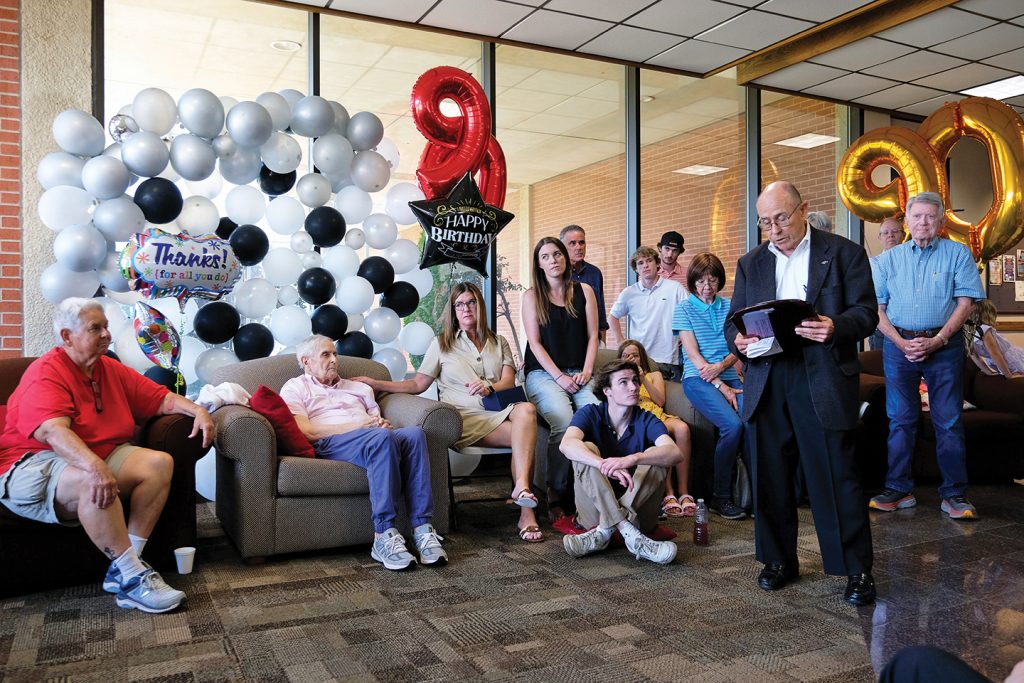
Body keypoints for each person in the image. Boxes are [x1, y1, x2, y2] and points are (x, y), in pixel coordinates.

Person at [0, 298, 214, 613]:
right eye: (95, 328)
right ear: (67, 336)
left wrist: (198, 410)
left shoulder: (108, 368)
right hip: (32, 463)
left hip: (93, 456)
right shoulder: (46, 371)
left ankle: (126, 572)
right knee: (90, 480)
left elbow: (160, 399)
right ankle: (133, 577)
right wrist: (95, 467)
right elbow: (53, 433)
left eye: (106, 327)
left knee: (158, 463)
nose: (106, 336)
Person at [726, 181, 877, 607]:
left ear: (803, 210)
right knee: (770, 476)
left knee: (835, 475)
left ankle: (855, 570)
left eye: (781, 218)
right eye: (765, 222)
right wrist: (736, 341)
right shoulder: (750, 263)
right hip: (768, 377)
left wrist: (835, 327)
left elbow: (865, 313)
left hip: (822, 375)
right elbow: (734, 321)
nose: (773, 229)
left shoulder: (843, 252)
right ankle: (778, 561)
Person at [354, 282, 544, 543]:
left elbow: (508, 382)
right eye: (459, 304)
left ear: (480, 306)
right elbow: (417, 384)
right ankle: (526, 509)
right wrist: (377, 383)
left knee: (527, 411)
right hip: (464, 419)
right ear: (453, 311)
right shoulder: (442, 343)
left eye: (471, 302)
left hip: (497, 413)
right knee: (526, 435)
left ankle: (522, 492)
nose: (466, 309)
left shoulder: (498, 341)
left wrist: (489, 386)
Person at [280, 334, 447, 571]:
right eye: (325, 355)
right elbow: (306, 431)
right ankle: (383, 535)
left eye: (335, 354)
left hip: (372, 437)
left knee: (413, 435)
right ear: (306, 362)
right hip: (332, 440)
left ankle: (422, 528)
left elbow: (377, 421)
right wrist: (363, 427)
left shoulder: (360, 388)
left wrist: (383, 425)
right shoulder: (295, 387)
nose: (334, 360)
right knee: (380, 438)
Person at [870, 192, 985, 520]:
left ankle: (954, 495)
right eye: (916, 217)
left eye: (929, 217)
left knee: (948, 421)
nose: (922, 222)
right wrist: (899, 341)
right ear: (906, 222)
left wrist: (938, 339)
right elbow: (876, 309)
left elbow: (966, 303)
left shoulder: (957, 254)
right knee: (900, 420)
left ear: (940, 221)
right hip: (897, 347)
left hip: (943, 347)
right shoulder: (888, 261)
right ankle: (898, 489)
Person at [558, 358, 682, 564]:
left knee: (657, 454)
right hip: (594, 510)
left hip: (639, 509)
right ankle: (628, 531)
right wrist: (602, 464)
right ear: (607, 390)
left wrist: (632, 459)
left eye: (635, 381)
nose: (633, 387)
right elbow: (566, 444)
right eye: (623, 382)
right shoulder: (590, 412)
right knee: (585, 449)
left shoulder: (647, 418)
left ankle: (605, 531)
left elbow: (675, 453)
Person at [522, 236, 600, 526]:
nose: (553, 260)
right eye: (545, 257)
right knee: (564, 420)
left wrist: (588, 371)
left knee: (592, 416)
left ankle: (590, 491)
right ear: (539, 264)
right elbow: (535, 343)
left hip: (581, 371)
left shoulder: (585, 291)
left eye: (557, 254)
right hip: (543, 373)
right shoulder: (532, 296)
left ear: (566, 258)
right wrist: (559, 377)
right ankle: (556, 490)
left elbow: (594, 336)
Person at [673, 252, 747, 521]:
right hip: (698, 378)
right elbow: (693, 355)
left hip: (726, 372)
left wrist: (723, 368)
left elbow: (741, 347)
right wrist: (720, 384)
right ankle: (721, 497)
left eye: (713, 280)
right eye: (701, 281)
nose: (707, 286)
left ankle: (755, 494)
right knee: (733, 426)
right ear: (692, 282)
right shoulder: (684, 308)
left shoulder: (729, 307)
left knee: (754, 421)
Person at [616, 340, 694, 518]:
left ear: (641, 357)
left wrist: (643, 377)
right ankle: (669, 494)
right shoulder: (619, 379)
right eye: (626, 355)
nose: (631, 358)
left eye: (634, 355)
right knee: (661, 433)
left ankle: (684, 492)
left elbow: (660, 401)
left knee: (682, 429)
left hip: (658, 414)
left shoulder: (654, 375)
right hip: (640, 419)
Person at [608, 246, 686, 379]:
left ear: (657, 264)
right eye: (640, 263)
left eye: (649, 261)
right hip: (639, 359)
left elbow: (689, 313)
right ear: (636, 269)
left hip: (668, 359)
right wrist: (620, 341)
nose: (645, 266)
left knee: (667, 398)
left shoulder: (675, 288)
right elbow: (612, 317)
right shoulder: (629, 293)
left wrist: (684, 336)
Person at [561, 225, 608, 343]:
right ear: (562, 247)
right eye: (572, 243)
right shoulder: (558, 275)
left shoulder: (595, 273)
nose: (578, 247)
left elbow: (600, 309)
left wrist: (602, 342)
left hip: (593, 339)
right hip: (567, 339)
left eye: (581, 243)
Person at [869, 217, 905, 350]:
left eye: (895, 231)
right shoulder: (872, 263)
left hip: (909, 328)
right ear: (879, 237)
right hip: (881, 325)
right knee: (880, 367)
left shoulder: (913, 262)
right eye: (885, 232)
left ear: (903, 235)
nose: (890, 235)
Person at [966, 299, 1024, 378]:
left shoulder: (968, 332)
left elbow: (975, 356)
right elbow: (995, 354)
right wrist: (1009, 375)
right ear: (989, 314)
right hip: (1011, 360)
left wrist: (989, 372)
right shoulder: (984, 330)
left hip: (1002, 362)